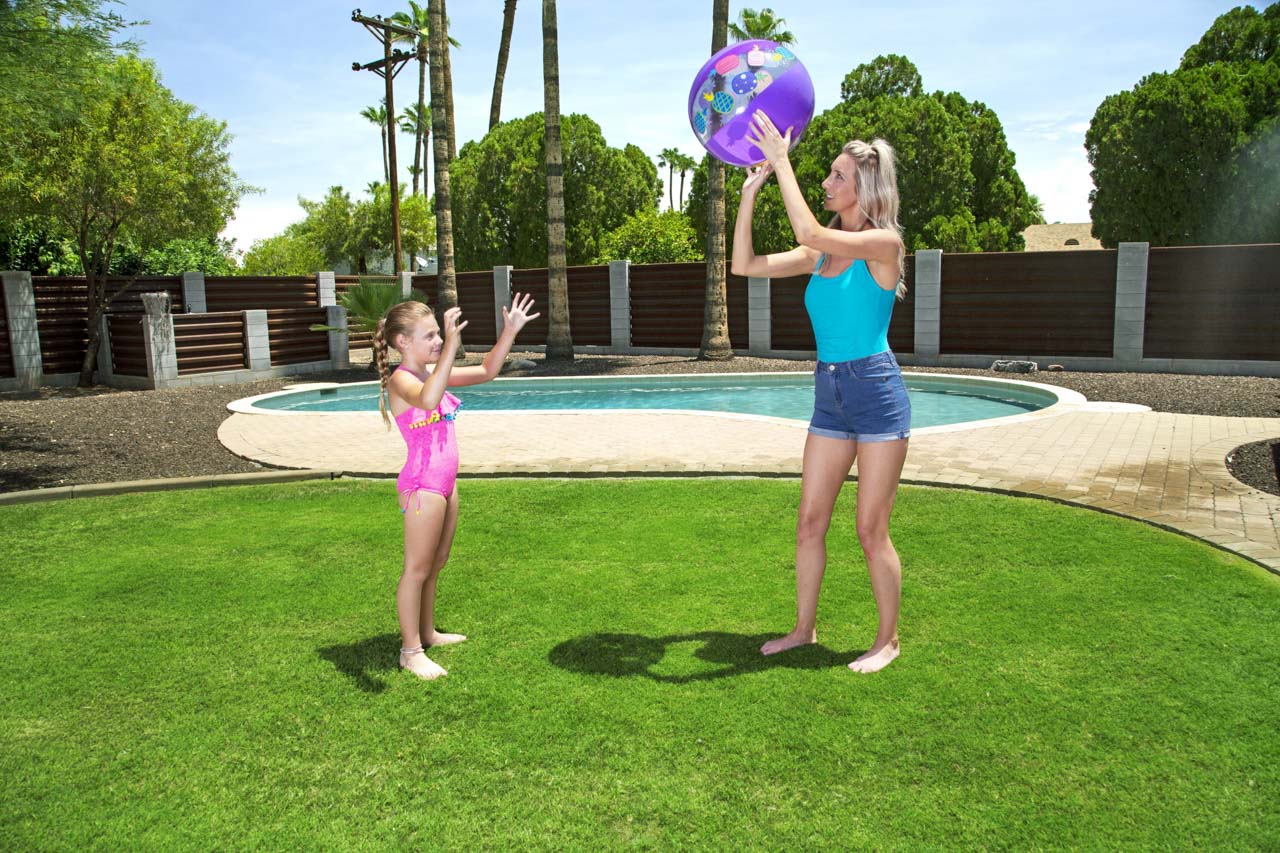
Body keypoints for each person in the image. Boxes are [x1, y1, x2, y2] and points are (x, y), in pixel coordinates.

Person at [733, 110, 911, 674]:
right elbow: (744, 265)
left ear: (864, 188)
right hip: (829, 393)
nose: (827, 183)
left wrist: (782, 160)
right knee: (810, 523)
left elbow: (809, 230)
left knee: (870, 530)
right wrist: (750, 195)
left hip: (876, 391)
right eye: (829, 174)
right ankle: (803, 629)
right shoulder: (822, 255)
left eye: (838, 176)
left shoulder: (883, 245)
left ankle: (887, 641)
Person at [372, 293, 540, 679]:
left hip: (446, 484)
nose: (437, 341)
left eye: (438, 334)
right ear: (403, 342)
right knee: (416, 570)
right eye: (429, 336)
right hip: (423, 485)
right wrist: (450, 346)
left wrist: (510, 331)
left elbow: (487, 371)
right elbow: (429, 399)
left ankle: (427, 633)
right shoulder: (402, 380)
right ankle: (410, 651)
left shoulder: (431, 373)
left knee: (437, 562)